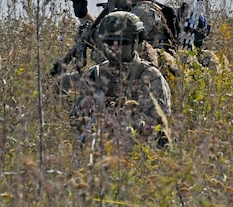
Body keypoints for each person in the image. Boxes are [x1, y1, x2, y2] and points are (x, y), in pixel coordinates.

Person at [65, 11, 173, 148]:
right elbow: (75, 124)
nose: (115, 47)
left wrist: (121, 123)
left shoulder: (150, 76)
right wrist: (83, 110)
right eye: (109, 42)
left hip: (140, 156)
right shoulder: (95, 75)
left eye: (122, 41)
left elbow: (158, 124)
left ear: (136, 40)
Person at [50, 0, 97, 76]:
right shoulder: (84, 26)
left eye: (76, 6)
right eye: (74, 6)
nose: (75, 8)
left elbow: (82, 62)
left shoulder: (91, 26)